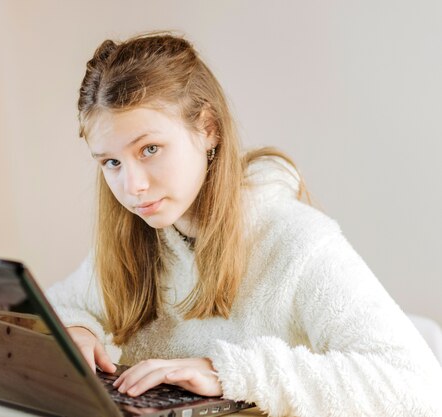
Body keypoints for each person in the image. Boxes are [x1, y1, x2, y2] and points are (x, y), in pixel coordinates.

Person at [46, 32, 442, 416]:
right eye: (111, 162)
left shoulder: (297, 241)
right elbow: (62, 304)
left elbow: (418, 387)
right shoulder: (142, 236)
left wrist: (231, 372)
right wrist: (79, 331)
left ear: (208, 129)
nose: (132, 186)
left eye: (150, 149)